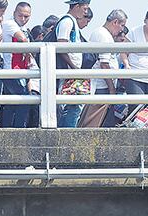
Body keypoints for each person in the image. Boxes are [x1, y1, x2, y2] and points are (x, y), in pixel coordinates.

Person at [79, 9, 126, 128]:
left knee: (104, 121)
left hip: (101, 84)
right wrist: (111, 88)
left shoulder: (100, 33)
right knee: (96, 121)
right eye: (122, 25)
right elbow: (104, 64)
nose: (122, 29)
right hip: (102, 85)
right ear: (115, 22)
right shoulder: (104, 36)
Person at [55, 0, 92, 128]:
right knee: (72, 106)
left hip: (72, 70)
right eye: (85, 8)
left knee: (73, 105)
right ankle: (67, 134)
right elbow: (61, 45)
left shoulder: (72, 22)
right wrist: (73, 66)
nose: (86, 12)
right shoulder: (67, 21)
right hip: (69, 70)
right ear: (77, 6)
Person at [0, 2, 32, 128]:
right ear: (14, 14)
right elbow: (22, 39)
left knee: (12, 104)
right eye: (20, 15)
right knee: (24, 101)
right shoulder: (10, 24)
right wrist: (29, 50)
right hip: (11, 70)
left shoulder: (22, 27)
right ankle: (18, 130)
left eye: (26, 16)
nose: (23, 19)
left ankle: (9, 131)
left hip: (20, 71)